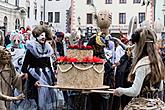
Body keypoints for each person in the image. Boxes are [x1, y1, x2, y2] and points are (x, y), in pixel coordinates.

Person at [113, 27, 165, 109]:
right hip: (156, 104)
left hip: (143, 105)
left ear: (139, 45)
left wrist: (120, 90)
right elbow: (161, 87)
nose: (133, 47)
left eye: (135, 45)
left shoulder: (142, 64)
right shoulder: (158, 62)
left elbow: (135, 91)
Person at [21, 25, 57, 110]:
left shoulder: (47, 49)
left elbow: (49, 66)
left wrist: (54, 79)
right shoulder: (30, 49)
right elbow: (24, 67)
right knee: (36, 101)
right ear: (36, 36)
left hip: (46, 77)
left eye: (44, 35)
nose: (43, 37)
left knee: (46, 101)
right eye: (41, 35)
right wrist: (33, 80)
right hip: (34, 77)